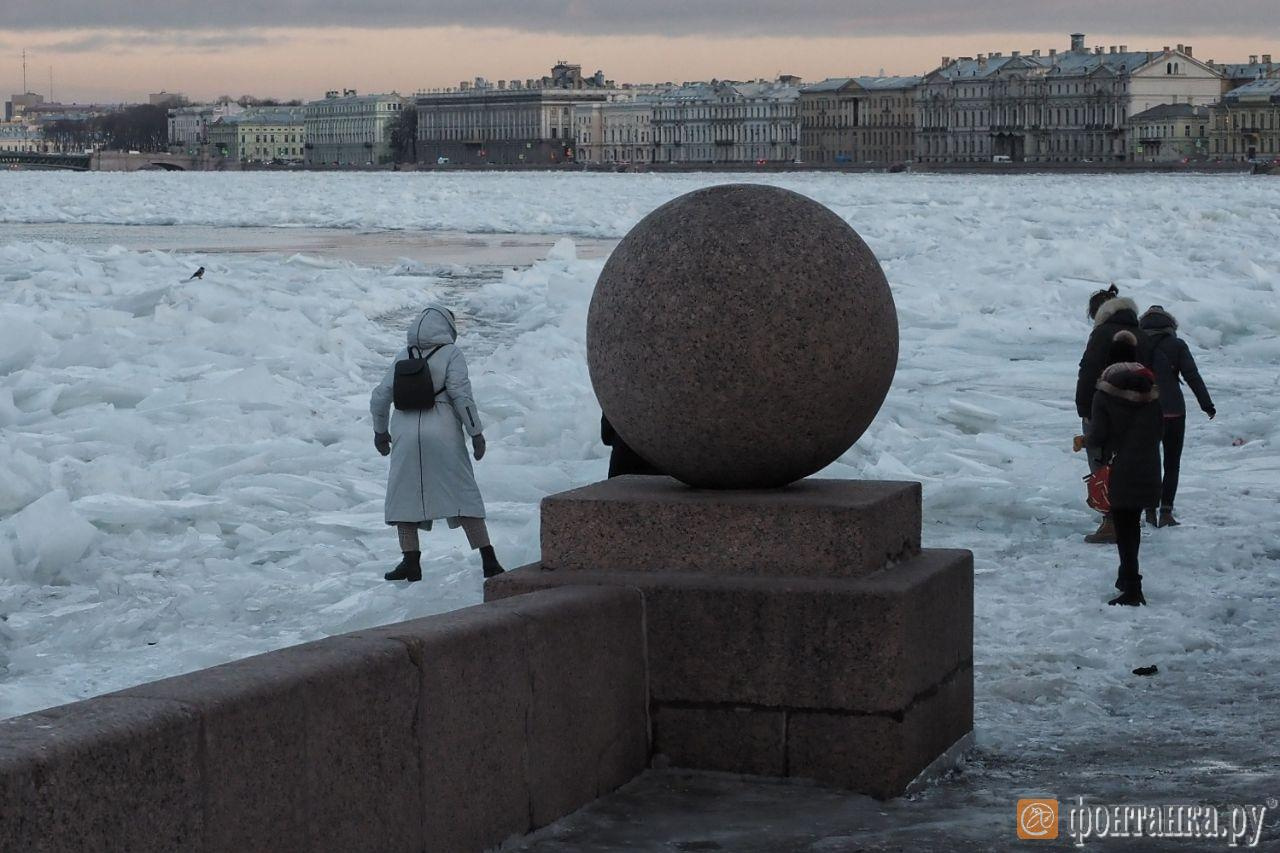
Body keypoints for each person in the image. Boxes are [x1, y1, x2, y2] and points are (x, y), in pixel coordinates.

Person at [370, 305, 504, 581]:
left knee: (404, 497)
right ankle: (488, 559)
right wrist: (476, 433)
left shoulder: (403, 355)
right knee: (462, 494)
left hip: (405, 431)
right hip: (442, 430)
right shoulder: (451, 353)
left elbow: (380, 396)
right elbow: (460, 395)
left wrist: (380, 432)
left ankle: (411, 562)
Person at [1081, 331, 1163, 606]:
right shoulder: (1151, 392)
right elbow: (1159, 431)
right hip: (1148, 466)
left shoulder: (1104, 393)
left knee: (1124, 528)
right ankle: (1126, 578)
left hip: (1119, 468)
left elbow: (1097, 436)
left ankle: (1131, 588)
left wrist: (1087, 441)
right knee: (1133, 526)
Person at [1075, 285, 1151, 544]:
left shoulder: (1101, 334)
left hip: (1105, 408)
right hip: (1140, 410)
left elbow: (1088, 371)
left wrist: (1084, 409)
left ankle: (1111, 522)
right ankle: (1129, 518)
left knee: (1102, 462)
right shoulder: (1142, 334)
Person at [1139, 305, 1215, 527]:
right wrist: (1206, 404)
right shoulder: (1177, 345)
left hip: (1145, 410)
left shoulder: (1137, 344)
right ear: (1170, 324)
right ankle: (1166, 512)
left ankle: (1149, 510)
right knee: (1172, 464)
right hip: (1174, 411)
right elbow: (1192, 377)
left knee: (1149, 462)